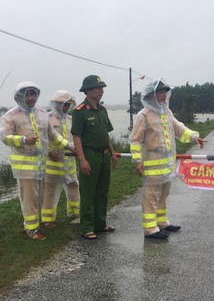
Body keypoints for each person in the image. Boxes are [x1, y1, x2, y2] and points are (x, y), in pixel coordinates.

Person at [129, 78, 206, 239]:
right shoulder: (144, 116)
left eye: (165, 91)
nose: (164, 95)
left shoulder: (167, 112)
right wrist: (137, 161)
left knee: (164, 195)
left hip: (167, 165)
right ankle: (150, 229)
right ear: (152, 95)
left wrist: (194, 137)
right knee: (151, 196)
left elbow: (179, 128)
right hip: (152, 165)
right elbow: (135, 140)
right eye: (160, 92)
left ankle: (162, 222)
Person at [0, 81, 69, 241]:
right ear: (19, 97)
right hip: (24, 167)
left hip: (41, 165)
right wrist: (23, 140)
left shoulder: (43, 113)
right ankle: (32, 230)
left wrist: (69, 146)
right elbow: (4, 137)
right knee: (29, 199)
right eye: (26, 95)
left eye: (33, 94)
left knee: (39, 198)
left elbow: (53, 135)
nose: (30, 98)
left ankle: (31, 224)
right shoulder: (11, 115)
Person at [70, 75, 118, 240]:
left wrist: (112, 154)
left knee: (102, 191)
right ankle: (87, 228)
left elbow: (106, 135)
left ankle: (100, 224)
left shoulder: (102, 110)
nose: (101, 91)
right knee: (88, 192)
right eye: (97, 88)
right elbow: (76, 137)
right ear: (87, 90)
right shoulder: (80, 111)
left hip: (104, 155)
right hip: (89, 154)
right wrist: (82, 160)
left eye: (102, 88)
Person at [41, 90, 79, 227]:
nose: (66, 108)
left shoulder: (70, 119)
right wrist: (49, 151)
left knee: (73, 185)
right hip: (53, 161)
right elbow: (43, 139)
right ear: (56, 104)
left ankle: (75, 212)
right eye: (64, 105)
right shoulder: (47, 118)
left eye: (69, 105)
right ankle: (48, 219)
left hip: (69, 161)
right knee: (50, 189)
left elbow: (74, 138)